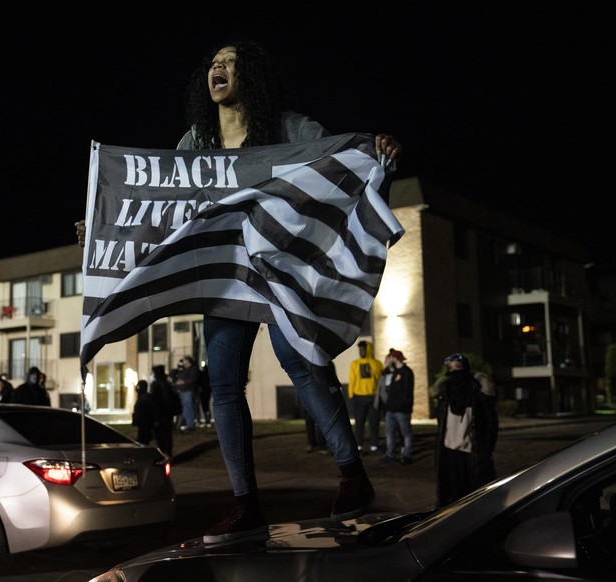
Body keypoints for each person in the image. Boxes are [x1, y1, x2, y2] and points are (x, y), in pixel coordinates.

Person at [76, 40, 401, 544]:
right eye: (212, 64)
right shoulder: (194, 142)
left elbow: (339, 169)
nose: (217, 69)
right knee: (224, 383)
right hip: (225, 276)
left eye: (229, 62)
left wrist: (375, 154)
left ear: (250, 74)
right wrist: (104, 229)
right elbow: (165, 208)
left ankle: (352, 476)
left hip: (279, 268)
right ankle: (246, 506)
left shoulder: (291, 130)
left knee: (303, 362)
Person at [433, 353, 499, 508]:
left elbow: (491, 421)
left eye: (459, 367)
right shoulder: (445, 392)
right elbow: (441, 420)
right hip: (450, 451)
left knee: (476, 495)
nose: (455, 372)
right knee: (454, 495)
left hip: (473, 452)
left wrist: (487, 446)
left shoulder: (476, 391)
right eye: (451, 368)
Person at [377, 348, 415, 464]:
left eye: (391, 357)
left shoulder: (406, 372)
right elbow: (383, 378)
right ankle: (390, 454)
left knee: (406, 433)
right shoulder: (395, 372)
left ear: (395, 358)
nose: (389, 359)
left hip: (402, 410)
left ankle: (407, 455)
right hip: (391, 410)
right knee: (390, 433)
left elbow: (407, 392)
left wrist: (402, 405)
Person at [348, 340, 384, 454]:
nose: (361, 351)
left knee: (374, 422)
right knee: (359, 423)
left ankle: (374, 446)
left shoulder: (377, 364)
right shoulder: (354, 364)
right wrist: (351, 394)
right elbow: (351, 379)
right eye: (360, 349)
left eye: (363, 349)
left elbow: (380, 380)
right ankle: (358, 446)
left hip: (373, 397)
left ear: (368, 349)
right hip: (359, 397)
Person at [149, 365, 176, 459]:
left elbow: (165, 400)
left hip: (162, 415)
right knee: (165, 436)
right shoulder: (164, 383)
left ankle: (165, 454)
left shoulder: (160, 384)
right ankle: (166, 454)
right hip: (164, 414)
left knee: (163, 436)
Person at [172, 355, 201, 432]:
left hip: (188, 391)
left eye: (184, 360)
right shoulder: (185, 370)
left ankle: (190, 425)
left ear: (188, 361)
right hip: (183, 391)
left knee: (188, 408)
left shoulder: (193, 369)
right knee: (185, 408)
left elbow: (193, 379)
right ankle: (185, 424)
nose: (183, 362)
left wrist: (183, 382)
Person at [131, 379, 158, 445]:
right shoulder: (145, 396)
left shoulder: (145, 397)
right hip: (144, 422)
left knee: (144, 439)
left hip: (145, 422)